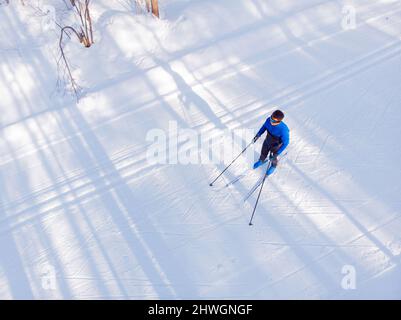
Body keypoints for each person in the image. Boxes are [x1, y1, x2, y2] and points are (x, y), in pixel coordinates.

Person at [253, 109, 290, 175]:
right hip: (268, 140)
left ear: (279, 121)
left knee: (273, 157)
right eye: (271, 118)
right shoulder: (268, 120)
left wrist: (277, 153)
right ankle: (261, 160)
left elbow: (286, 143)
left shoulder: (283, 129)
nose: (271, 121)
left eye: (273, 120)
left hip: (276, 145)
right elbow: (264, 127)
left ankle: (273, 166)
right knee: (263, 151)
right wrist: (258, 134)